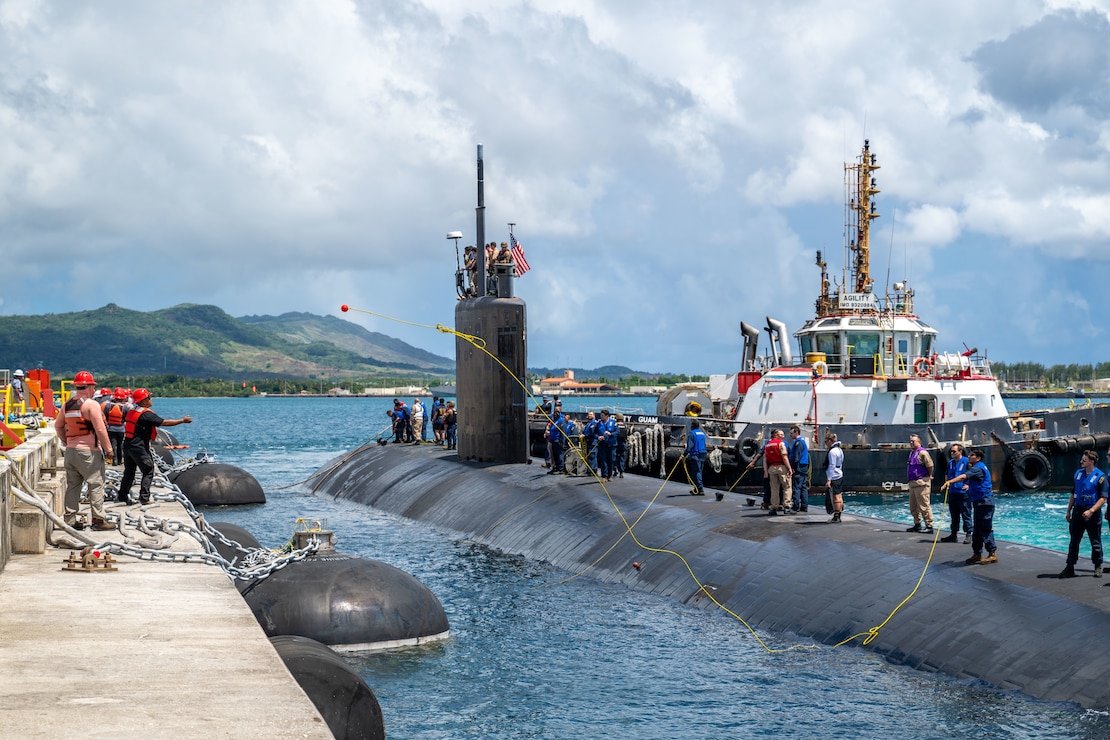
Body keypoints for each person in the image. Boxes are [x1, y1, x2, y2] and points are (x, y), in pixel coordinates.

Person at [53, 371, 114, 530]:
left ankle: (70, 520)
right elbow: (100, 429)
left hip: (71, 452)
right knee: (95, 484)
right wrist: (109, 449)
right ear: (90, 387)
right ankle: (98, 520)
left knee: (73, 485)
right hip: (89, 452)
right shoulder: (91, 404)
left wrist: (66, 441)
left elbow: (58, 426)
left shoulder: (67, 405)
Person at [118, 388, 192, 505]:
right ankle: (144, 497)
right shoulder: (146, 414)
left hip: (128, 444)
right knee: (148, 469)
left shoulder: (133, 410)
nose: (150, 400)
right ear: (143, 401)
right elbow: (164, 423)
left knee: (129, 471)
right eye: (148, 398)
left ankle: (122, 496)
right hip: (138, 446)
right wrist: (182, 420)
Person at [1059, 449, 1108, 578]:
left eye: (1084, 460)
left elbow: (1103, 498)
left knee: (1095, 541)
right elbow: (1073, 493)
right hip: (1078, 511)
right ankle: (1070, 566)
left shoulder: (1100, 477)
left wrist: (1091, 511)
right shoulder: (1078, 474)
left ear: (1091, 462)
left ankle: (1098, 566)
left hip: (1092, 512)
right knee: (1074, 540)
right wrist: (1069, 510)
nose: (1081, 461)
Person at [954, 447, 998, 565]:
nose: (969, 457)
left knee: (985, 528)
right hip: (979, 501)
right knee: (977, 529)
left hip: (985, 502)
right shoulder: (978, 468)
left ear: (978, 458)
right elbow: (979, 482)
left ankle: (992, 553)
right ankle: (977, 553)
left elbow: (964, 476)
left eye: (971, 455)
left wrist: (950, 482)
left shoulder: (978, 468)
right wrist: (970, 487)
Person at [941, 444, 973, 543]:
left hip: (963, 493)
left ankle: (968, 533)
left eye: (954, 451)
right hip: (953, 492)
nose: (952, 453)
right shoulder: (950, 463)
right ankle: (953, 534)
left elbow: (973, 474)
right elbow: (947, 473)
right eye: (951, 451)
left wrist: (969, 486)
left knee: (966, 513)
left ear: (960, 452)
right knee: (954, 514)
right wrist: (946, 483)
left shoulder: (967, 462)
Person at [906, 433, 935, 534]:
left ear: (919, 442)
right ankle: (917, 524)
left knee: (924, 505)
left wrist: (929, 475)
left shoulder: (923, 453)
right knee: (913, 506)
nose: (911, 443)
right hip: (913, 483)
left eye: (913, 441)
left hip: (921, 482)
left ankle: (929, 525)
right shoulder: (912, 452)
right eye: (910, 441)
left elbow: (930, 465)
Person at [762, 429, 794, 514]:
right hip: (781, 467)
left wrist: (765, 471)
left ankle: (774, 507)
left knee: (774, 489)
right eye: (781, 435)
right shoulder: (781, 444)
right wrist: (789, 468)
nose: (783, 436)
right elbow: (784, 457)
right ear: (776, 435)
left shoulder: (767, 445)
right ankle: (787, 506)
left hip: (772, 468)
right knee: (787, 486)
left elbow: (765, 460)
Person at [102, 387, 130, 464]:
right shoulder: (126, 407)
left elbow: (104, 416)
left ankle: (114, 460)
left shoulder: (108, 406)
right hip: (121, 429)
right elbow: (127, 418)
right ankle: (120, 460)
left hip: (111, 428)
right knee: (120, 445)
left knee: (113, 445)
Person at [822, 432, 845, 522]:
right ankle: (839, 513)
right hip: (839, 474)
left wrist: (829, 480)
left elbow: (832, 465)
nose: (826, 443)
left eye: (826, 441)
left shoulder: (832, 452)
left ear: (829, 441)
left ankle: (836, 515)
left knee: (836, 496)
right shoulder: (839, 450)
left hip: (834, 476)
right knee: (839, 495)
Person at [789, 425, 809, 512]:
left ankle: (796, 506)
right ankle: (804, 506)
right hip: (803, 466)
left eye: (791, 433)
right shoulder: (801, 441)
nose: (790, 435)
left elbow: (796, 456)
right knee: (803, 486)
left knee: (796, 487)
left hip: (799, 466)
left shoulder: (798, 443)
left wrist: (793, 467)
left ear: (796, 432)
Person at [685, 419, 708, 496]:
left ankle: (700, 488)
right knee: (700, 471)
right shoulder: (702, 434)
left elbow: (689, 447)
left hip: (695, 454)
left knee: (696, 471)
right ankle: (697, 488)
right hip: (702, 453)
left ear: (692, 426)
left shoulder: (691, 434)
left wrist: (683, 455)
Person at [596, 409, 618, 481]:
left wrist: (610, 434)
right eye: (600, 415)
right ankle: (604, 476)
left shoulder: (613, 422)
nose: (601, 416)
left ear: (606, 416)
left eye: (602, 415)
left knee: (611, 460)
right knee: (603, 460)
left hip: (611, 444)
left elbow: (617, 431)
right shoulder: (599, 423)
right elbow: (595, 433)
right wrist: (598, 437)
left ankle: (610, 475)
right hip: (602, 444)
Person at [546, 409, 565, 474]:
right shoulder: (555, 421)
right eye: (554, 413)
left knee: (559, 455)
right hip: (553, 440)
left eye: (556, 413)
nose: (555, 414)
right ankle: (556, 468)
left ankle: (560, 469)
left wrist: (561, 441)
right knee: (554, 455)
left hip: (558, 441)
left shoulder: (561, 421)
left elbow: (562, 432)